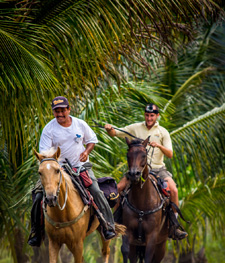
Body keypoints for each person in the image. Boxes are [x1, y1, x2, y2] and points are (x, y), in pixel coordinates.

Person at [28, 96, 116, 247]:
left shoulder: (79, 124)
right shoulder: (49, 129)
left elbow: (92, 140)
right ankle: (36, 232)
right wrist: (56, 167)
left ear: (69, 109)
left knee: (96, 190)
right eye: (57, 111)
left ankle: (108, 225)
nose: (60, 114)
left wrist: (87, 152)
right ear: (53, 112)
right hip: (57, 169)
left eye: (63, 110)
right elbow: (45, 154)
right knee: (37, 197)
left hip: (80, 167)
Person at [104, 103, 188, 240]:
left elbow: (170, 154)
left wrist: (159, 145)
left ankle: (174, 225)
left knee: (174, 190)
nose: (149, 118)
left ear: (157, 116)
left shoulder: (163, 132)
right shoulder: (135, 128)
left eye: (152, 116)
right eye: (147, 115)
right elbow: (115, 133)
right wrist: (109, 129)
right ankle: (115, 222)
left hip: (158, 170)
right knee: (118, 188)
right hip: (136, 170)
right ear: (145, 115)